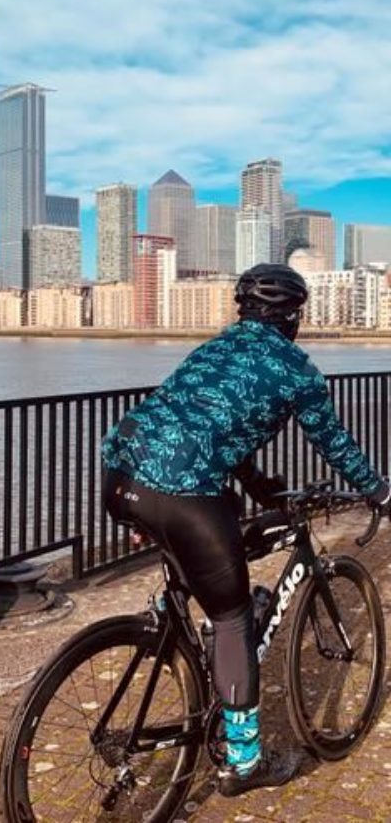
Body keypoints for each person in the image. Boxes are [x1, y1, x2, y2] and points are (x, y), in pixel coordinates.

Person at [101, 262, 391, 798]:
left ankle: (178, 625)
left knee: (221, 526)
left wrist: (259, 486)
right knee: (234, 617)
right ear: (294, 317)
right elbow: (332, 442)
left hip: (120, 477)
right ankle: (244, 763)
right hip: (182, 492)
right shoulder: (294, 368)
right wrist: (379, 491)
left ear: (244, 311)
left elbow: (207, 430)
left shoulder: (213, 350)